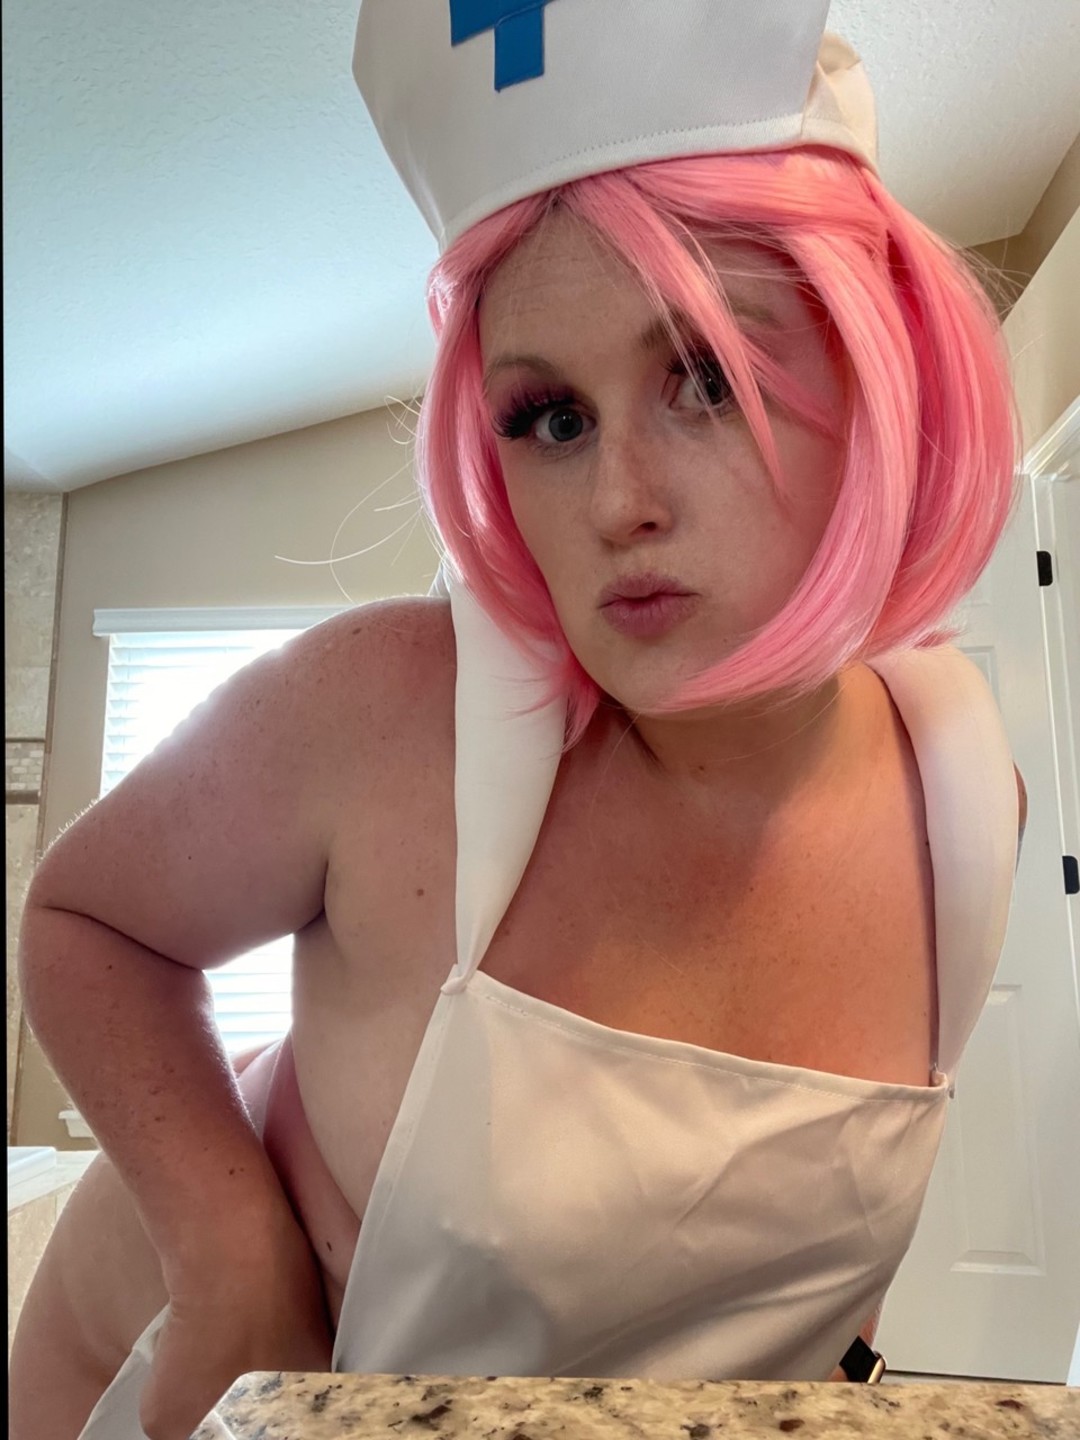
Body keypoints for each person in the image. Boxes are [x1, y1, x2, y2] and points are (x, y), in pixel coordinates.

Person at [10, 2, 1025, 1438]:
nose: (618, 503)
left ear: (880, 376)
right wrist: (232, 1258)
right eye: (551, 417)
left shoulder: (963, 796)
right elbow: (85, 921)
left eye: (705, 379)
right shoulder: (382, 713)